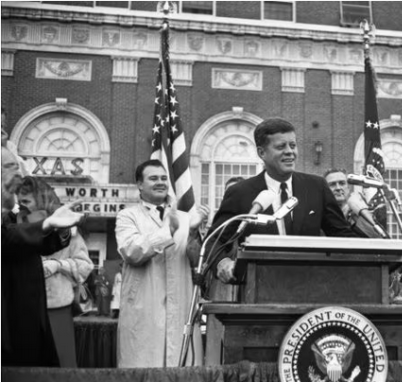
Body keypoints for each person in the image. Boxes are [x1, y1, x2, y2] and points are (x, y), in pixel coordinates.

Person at [207, 117, 357, 286]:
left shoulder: (316, 187)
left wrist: (369, 225)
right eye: (281, 147)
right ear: (261, 152)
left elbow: (343, 236)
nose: (289, 152)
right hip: (258, 291)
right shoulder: (240, 193)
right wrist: (223, 262)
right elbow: (214, 241)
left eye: (293, 145)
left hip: (311, 288)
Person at [115, 159, 204, 367]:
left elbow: (197, 262)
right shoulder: (127, 216)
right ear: (139, 184)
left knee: (182, 373)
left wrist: (193, 234)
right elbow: (131, 251)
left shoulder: (184, 218)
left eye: (164, 178)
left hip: (181, 305)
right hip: (145, 308)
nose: (160, 182)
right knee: (143, 372)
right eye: (153, 178)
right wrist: (169, 232)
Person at [2, 146, 84, 367]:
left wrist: (61, 229)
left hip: (28, 319)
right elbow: (7, 239)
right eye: (10, 167)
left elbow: (29, 243)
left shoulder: (11, 216)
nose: (19, 174)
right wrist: (47, 223)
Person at [15, 176, 93, 367]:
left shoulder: (68, 231)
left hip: (56, 310)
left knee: (61, 367)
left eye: (26, 201)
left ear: (41, 200)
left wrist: (58, 265)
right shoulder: (13, 229)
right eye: (19, 201)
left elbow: (85, 266)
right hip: (20, 311)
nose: (21, 206)